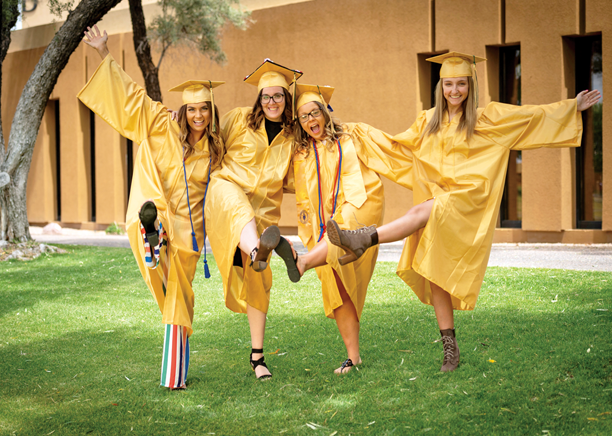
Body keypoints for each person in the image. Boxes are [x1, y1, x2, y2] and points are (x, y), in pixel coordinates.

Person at [326, 52, 601, 372]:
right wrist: (352, 132)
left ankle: (363, 239)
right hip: (439, 204)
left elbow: (531, 117)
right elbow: (395, 146)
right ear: (440, 86)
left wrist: (571, 107)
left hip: (470, 201)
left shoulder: (488, 119)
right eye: (448, 84)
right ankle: (450, 350)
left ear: (470, 86)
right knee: (435, 267)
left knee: (424, 211)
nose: (454, 91)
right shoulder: (427, 121)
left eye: (460, 84)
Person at [79, 25, 226, 389]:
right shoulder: (162, 122)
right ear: (185, 109)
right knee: (176, 295)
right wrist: (103, 52)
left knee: (178, 296)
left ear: (211, 111)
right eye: (192, 109)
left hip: (190, 235)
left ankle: (152, 242)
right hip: (161, 211)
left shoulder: (217, 148)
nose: (197, 116)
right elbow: (131, 97)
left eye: (203, 110)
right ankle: (152, 234)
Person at [277, 84, 398, 374]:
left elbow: (393, 149)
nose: (310, 120)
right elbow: (274, 177)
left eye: (314, 113)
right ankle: (352, 357)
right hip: (324, 225)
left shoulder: (353, 135)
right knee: (339, 282)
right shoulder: (300, 155)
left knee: (340, 232)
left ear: (325, 112)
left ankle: (302, 261)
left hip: (358, 207)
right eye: (304, 117)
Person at [204, 60, 302, 379]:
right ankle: (257, 250)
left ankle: (258, 357)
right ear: (258, 99)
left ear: (287, 100)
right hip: (226, 190)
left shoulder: (292, 137)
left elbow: (298, 178)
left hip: (263, 215)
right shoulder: (237, 119)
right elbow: (208, 141)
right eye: (266, 97)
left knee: (259, 283)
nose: (272, 102)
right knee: (238, 206)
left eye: (278, 96)